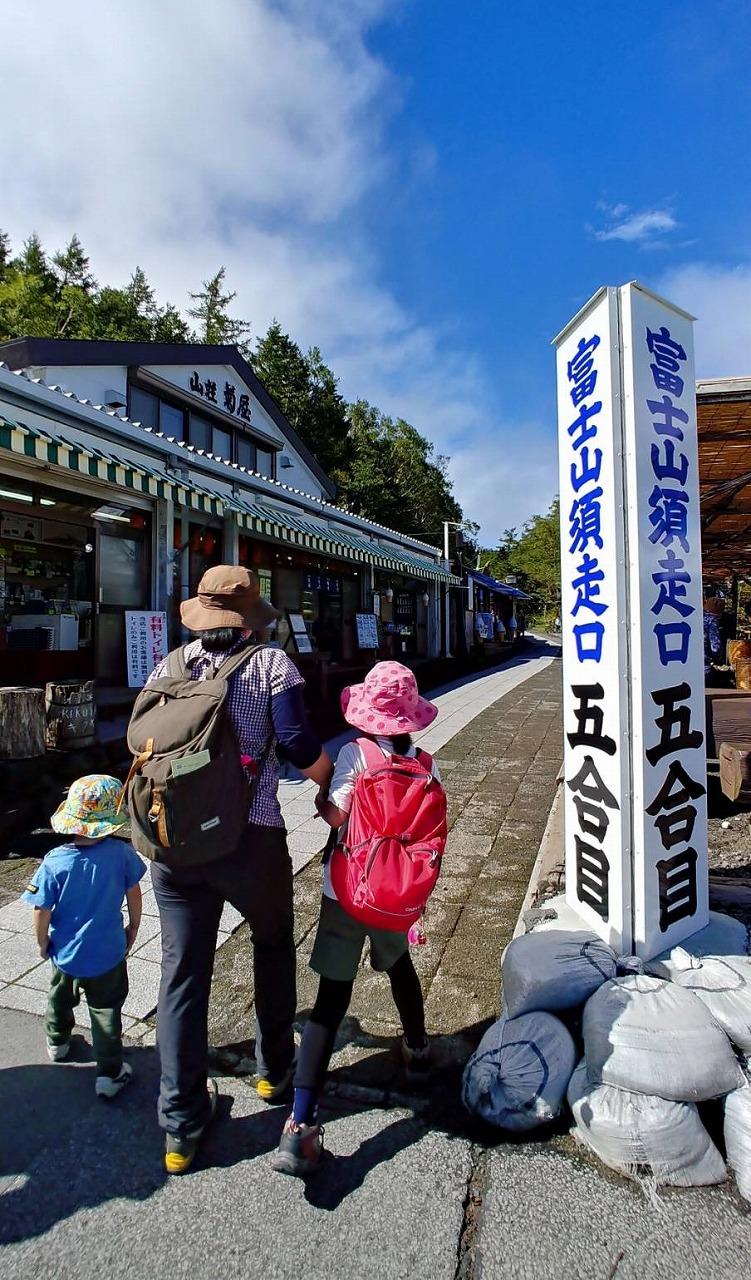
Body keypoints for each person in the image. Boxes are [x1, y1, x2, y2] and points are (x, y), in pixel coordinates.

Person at [147, 566, 333, 1175]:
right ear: (250, 614)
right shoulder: (272, 665)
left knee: (181, 975)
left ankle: (180, 1127)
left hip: (176, 845)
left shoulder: (170, 665)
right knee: (273, 945)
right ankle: (274, 1072)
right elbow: (300, 746)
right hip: (250, 839)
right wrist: (331, 781)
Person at [272, 661, 441, 1178]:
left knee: (330, 999)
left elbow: (337, 814)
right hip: (395, 894)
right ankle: (417, 1049)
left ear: (368, 714)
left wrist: (321, 799)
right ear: (409, 719)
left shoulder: (355, 754)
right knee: (401, 969)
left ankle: (301, 1122)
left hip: (346, 890)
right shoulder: (426, 764)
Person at [20, 774, 145, 1097]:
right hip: (108, 953)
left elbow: (41, 909)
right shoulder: (122, 854)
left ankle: (58, 1042)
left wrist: (42, 942)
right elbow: (134, 893)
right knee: (106, 1012)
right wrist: (134, 926)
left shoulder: (55, 862)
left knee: (59, 998)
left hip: (65, 952)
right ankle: (110, 1073)